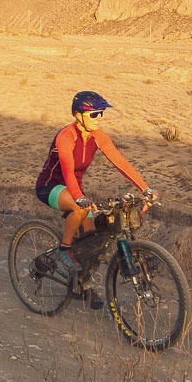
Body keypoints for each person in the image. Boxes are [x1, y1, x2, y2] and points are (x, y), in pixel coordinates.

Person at [33, 90, 154, 309]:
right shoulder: (66, 137)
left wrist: (145, 188)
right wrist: (79, 198)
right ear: (78, 116)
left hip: (75, 190)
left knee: (92, 241)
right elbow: (68, 171)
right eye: (94, 114)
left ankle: (83, 286)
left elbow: (120, 162)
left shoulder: (98, 136)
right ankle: (64, 248)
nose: (99, 118)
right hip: (50, 186)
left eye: (101, 114)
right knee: (78, 210)